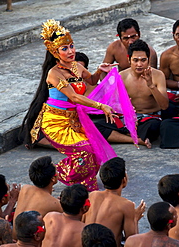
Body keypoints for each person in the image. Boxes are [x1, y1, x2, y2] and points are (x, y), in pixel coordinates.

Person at [20, 19, 118, 192]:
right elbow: (73, 97)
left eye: (71, 46)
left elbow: (92, 81)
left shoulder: (76, 67)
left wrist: (100, 71)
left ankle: (83, 185)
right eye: (64, 48)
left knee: (93, 152)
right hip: (55, 122)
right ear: (55, 52)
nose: (71, 51)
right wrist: (101, 106)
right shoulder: (54, 73)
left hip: (73, 119)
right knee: (85, 151)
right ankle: (57, 173)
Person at [82, 157, 146, 247]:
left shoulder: (92, 195)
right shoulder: (126, 205)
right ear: (124, 180)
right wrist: (134, 219)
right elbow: (132, 241)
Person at [120, 39, 169, 146]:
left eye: (143, 60)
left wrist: (151, 85)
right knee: (99, 126)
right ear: (129, 60)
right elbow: (112, 103)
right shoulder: (122, 76)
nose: (139, 64)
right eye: (135, 60)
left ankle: (126, 135)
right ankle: (136, 138)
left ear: (148, 60)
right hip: (129, 118)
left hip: (150, 118)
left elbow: (164, 106)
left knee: (154, 126)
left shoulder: (158, 75)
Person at [12, 156, 63, 239]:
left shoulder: (25, 189)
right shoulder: (54, 203)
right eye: (56, 171)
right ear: (53, 179)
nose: (58, 172)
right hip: (29, 243)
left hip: (14, 237)